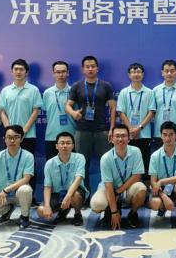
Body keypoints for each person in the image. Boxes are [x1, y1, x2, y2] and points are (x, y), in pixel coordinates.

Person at [66, 55, 116, 196]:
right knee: (82, 166)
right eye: (87, 67)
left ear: (97, 68)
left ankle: (107, 196)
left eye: (93, 66)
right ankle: (84, 196)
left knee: (107, 165)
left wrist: (112, 128)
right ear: (83, 69)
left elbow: (113, 108)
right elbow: (67, 105)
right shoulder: (77, 86)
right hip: (82, 131)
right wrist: (73, 113)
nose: (90, 69)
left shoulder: (105, 86)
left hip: (102, 131)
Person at [0, 59, 43, 206]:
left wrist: (23, 131)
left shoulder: (33, 90)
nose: (18, 72)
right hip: (9, 138)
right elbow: (2, 112)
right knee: (8, 166)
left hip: (28, 135)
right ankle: (9, 196)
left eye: (21, 69)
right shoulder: (5, 91)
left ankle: (31, 197)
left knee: (30, 167)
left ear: (26, 72)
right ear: (12, 71)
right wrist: (9, 131)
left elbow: (35, 111)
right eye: (16, 69)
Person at [90, 124, 147, 229]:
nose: (120, 139)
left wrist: (118, 192)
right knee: (97, 205)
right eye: (117, 136)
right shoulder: (106, 158)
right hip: (110, 188)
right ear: (111, 139)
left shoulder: (136, 152)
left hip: (127, 188)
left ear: (129, 139)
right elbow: (108, 185)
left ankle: (133, 214)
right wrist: (114, 212)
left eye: (123, 136)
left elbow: (137, 176)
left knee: (141, 189)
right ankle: (110, 210)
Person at [0, 125, 35, 229]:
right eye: (9, 137)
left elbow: (26, 178)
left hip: (18, 194)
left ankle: (24, 216)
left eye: (16, 137)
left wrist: (7, 190)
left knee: (25, 190)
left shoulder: (28, 156)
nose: (12, 140)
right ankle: (7, 210)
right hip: (2, 195)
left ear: (21, 139)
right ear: (5, 139)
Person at [38, 131, 87, 226]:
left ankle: (77, 214)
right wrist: (47, 205)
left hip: (74, 192)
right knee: (41, 211)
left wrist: (68, 196)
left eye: (68, 143)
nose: (65, 146)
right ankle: (63, 210)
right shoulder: (49, 163)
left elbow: (79, 178)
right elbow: (47, 187)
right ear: (56, 146)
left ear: (73, 146)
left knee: (75, 195)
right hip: (57, 194)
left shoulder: (80, 158)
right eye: (62, 143)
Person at [148, 122, 176, 227]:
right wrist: (164, 196)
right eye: (165, 135)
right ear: (161, 136)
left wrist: (162, 181)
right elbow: (153, 181)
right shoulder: (155, 156)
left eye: (171, 134)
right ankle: (162, 209)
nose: (168, 138)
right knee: (154, 203)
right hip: (161, 190)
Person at [116, 62, 155, 181]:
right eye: (133, 72)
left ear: (143, 74)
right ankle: (131, 188)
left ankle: (147, 189)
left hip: (144, 134)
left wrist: (139, 128)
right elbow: (121, 112)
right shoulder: (124, 92)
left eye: (138, 72)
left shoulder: (149, 92)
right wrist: (130, 129)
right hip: (128, 135)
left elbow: (151, 112)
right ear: (129, 75)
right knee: (129, 164)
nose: (136, 74)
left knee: (146, 163)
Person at [43, 61, 76, 160]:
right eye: (58, 72)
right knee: (51, 166)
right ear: (53, 74)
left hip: (71, 136)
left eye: (63, 71)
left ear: (68, 73)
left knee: (72, 166)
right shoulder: (47, 93)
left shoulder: (74, 92)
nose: (61, 74)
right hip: (51, 137)